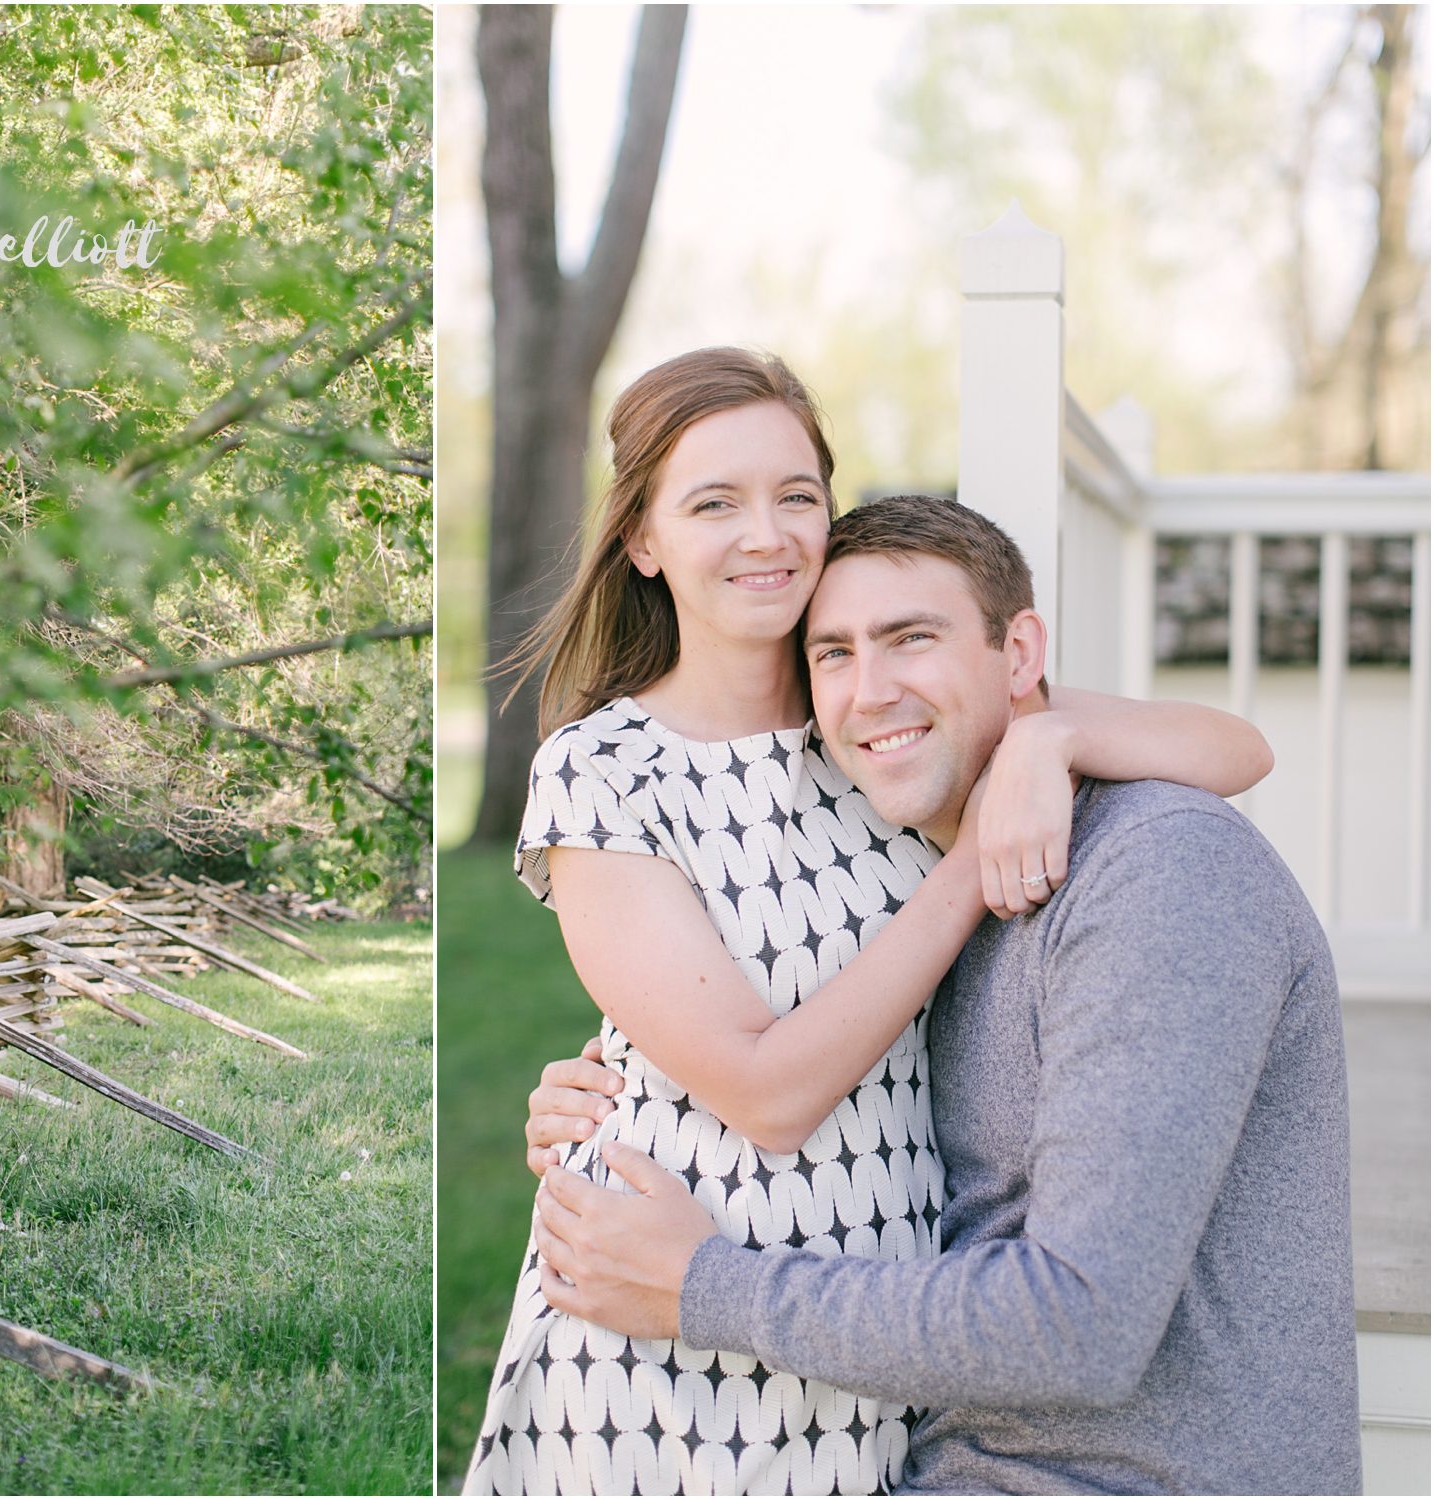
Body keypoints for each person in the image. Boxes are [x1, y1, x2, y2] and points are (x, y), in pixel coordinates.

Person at [462, 347, 1273, 1496]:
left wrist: (1043, 739)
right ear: (642, 541)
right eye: (713, 503)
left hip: (870, 1328)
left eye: (796, 495)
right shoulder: (603, 770)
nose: (767, 534)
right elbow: (766, 1090)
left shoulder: (874, 712)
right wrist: (977, 850)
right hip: (661, 1332)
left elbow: (1233, 749)